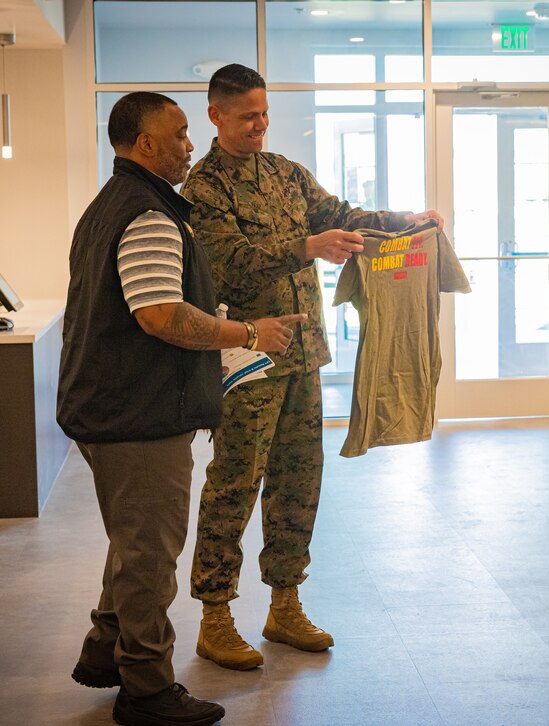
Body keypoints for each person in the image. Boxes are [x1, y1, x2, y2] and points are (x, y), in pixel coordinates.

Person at [182, 64, 444, 670]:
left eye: (264, 113)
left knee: (299, 483)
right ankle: (215, 615)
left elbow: (342, 215)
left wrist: (410, 220)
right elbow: (227, 264)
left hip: (302, 357)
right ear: (216, 115)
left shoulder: (286, 175)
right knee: (234, 485)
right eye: (247, 115)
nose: (260, 125)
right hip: (247, 361)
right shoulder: (204, 189)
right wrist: (303, 248)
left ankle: (285, 603)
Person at [57, 91, 304, 726]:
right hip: (136, 415)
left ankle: (104, 651)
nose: (190, 145)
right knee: (149, 554)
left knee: (131, 538)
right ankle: (147, 688)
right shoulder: (148, 214)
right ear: (145, 145)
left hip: (109, 406)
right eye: (181, 133)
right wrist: (247, 334)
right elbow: (162, 316)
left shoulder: (108, 206)